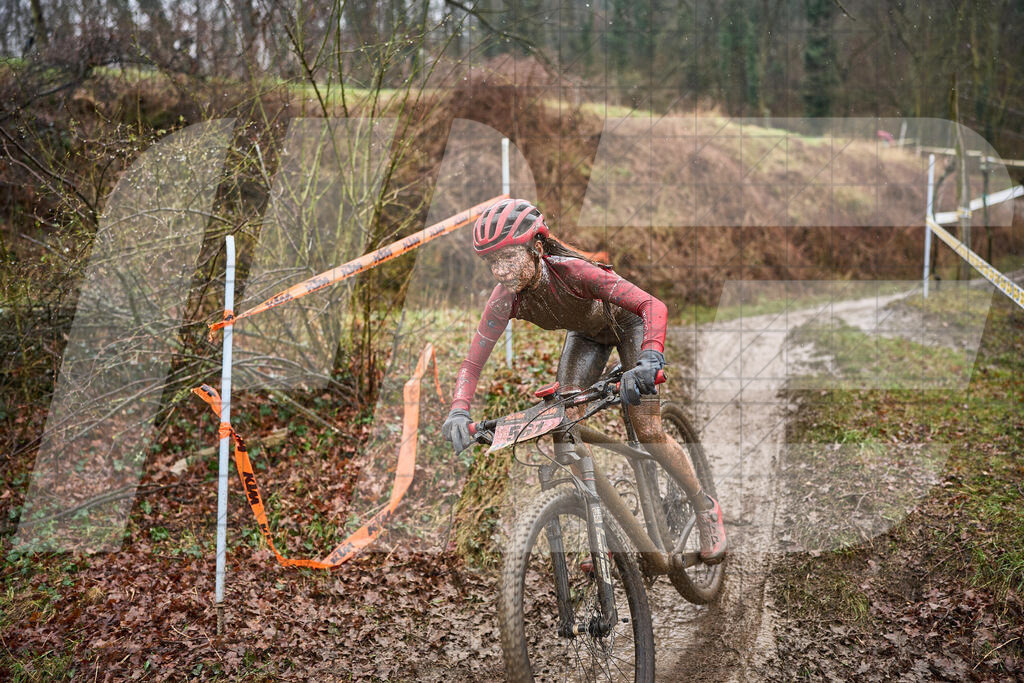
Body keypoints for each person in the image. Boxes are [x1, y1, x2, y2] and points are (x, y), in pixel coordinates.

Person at [441, 198, 727, 564]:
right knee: (566, 426)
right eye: (492, 262)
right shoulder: (504, 301)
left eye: (509, 257)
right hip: (586, 338)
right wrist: (458, 411)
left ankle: (705, 508)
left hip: (629, 326)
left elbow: (652, 306)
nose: (500, 271)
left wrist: (650, 357)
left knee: (647, 430)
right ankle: (601, 526)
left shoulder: (575, 273)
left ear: (537, 249)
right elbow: (471, 364)